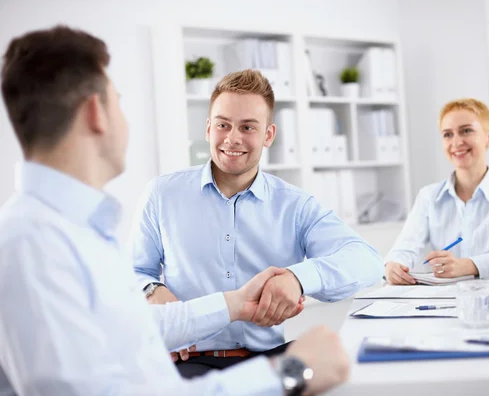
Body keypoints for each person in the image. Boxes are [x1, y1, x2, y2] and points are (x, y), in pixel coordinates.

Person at [0, 25, 349, 396]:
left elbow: (133, 326)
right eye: (118, 102)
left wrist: (236, 304)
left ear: (267, 134)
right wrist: (291, 373)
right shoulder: (31, 243)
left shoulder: (71, 230)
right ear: (95, 114)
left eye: (247, 126)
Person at [129, 69, 383, 376]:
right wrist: (151, 289)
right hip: (188, 360)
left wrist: (297, 278)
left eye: (248, 127)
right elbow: (132, 272)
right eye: (223, 125)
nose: (232, 138)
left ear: (268, 135)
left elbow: (367, 261)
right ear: (208, 128)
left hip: (268, 357)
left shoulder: (294, 205)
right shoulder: (162, 194)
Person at [384, 98, 489, 285]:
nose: (456, 142)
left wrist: (468, 265)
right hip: (445, 301)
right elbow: (404, 248)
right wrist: (394, 265)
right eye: (448, 134)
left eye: (466, 131)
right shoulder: (429, 196)